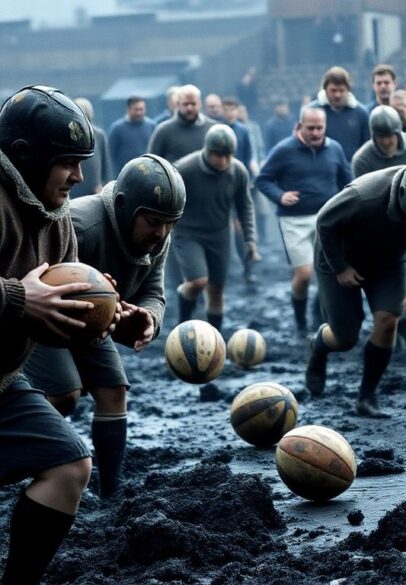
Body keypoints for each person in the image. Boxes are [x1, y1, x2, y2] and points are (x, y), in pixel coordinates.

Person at [23, 154, 184, 502]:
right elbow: (38, 276)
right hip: (47, 319)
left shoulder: (159, 236)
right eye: (154, 221)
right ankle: (33, 460)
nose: (161, 233)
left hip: (95, 321)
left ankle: (111, 490)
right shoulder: (80, 223)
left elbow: (154, 293)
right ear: (126, 208)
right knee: (65, 394)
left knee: (113, 390)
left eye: (170, 223)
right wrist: (98, 290)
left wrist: (148, 320)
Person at [0, 85, 96, 584]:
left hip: (2, 381)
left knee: (69, 466)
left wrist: (109, 316)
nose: (78, 178)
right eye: (68, 163)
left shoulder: (56, 217)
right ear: (25, 156)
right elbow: (25, 299)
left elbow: (61, 313)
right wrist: (17, 298)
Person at [304, 157, 406, 418]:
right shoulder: (364, 195)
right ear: (404, 196)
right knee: (345, 338)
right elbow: (324, 223)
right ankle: (319, 345)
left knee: (387, 322)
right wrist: (340, 267)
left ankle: (367, 397)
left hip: (390, 259)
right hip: (340, 257)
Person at [256, 106, 352, 334]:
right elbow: (263, 180)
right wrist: (280, 195)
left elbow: (348, 183)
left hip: (327, 220)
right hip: (294, 221)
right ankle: (299, 319)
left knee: (328, 272)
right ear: (299, 126)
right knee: (304, 274)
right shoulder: (283, 150)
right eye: (311, 128)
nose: (316, 133)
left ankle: (318, 312)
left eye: (320, 128)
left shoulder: (335, 149)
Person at [172, 125, 257, 331]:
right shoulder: (185, 169)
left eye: (228, 155)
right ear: (208, 151)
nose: (223, 161)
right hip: (187, 233)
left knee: (217, 290)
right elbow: (168, 199)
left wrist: (250, 240)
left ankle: (215, 337)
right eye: (218, 155)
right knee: (198, 281)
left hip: (219, 235)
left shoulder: (238, 171)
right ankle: (182, 324)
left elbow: (245, 206)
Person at [148, 84, 216, 164]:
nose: (189, 108)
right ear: (178, 104)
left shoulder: (212, 130)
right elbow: (151, 164)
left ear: (200, 104)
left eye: (193, 104)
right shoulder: (163, 131)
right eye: (186, 104)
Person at [351, 106, 406, 178]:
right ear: (373, 137)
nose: (386, 142)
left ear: (398, 134)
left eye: (389, 136)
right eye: (381, 136)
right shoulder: (363, 161)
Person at [316, 66, 370, 162]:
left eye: (341, 90)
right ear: (325, 89)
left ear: (348, 90)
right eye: (333, 90)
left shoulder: (361, 113)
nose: (337, 95)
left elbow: (368, 147)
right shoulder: (313, 112)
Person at [70, 98, 112, 198]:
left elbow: (105, 164)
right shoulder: (68, 135)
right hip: (74, 189)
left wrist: (104, 186)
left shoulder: (98, 135)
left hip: (95, 191)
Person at [108, 96, 156, 171]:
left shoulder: (152, 127)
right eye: (136, 110)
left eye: (141, 109)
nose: (139, 113)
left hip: (149, 172)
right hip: (125, 173)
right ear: (128, 109)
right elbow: (111, 154)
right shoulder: (117, 129)